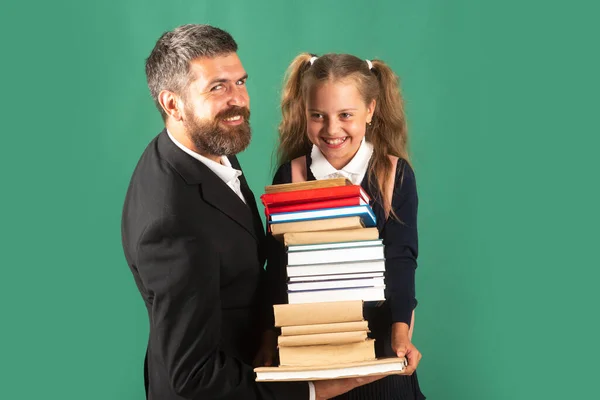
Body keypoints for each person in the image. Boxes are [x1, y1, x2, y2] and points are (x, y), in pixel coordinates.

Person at [121, 25, 382, 400]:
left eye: (240, 82)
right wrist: (309, 391)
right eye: (217, 87)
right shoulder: (171, 220)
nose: (238, 100)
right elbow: (193, 376)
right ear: (172, 104)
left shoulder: (206, 145)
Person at [260, 52, 426, 399]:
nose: (332, 129)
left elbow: (400, 259)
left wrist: (400, 336)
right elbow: (277, 268)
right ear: (303, 114)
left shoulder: (394, 175)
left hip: (377, 345)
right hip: (308, 348)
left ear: (370, 110)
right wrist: (267, 340)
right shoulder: (290, 175)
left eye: (345, 115)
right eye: (318, 116)